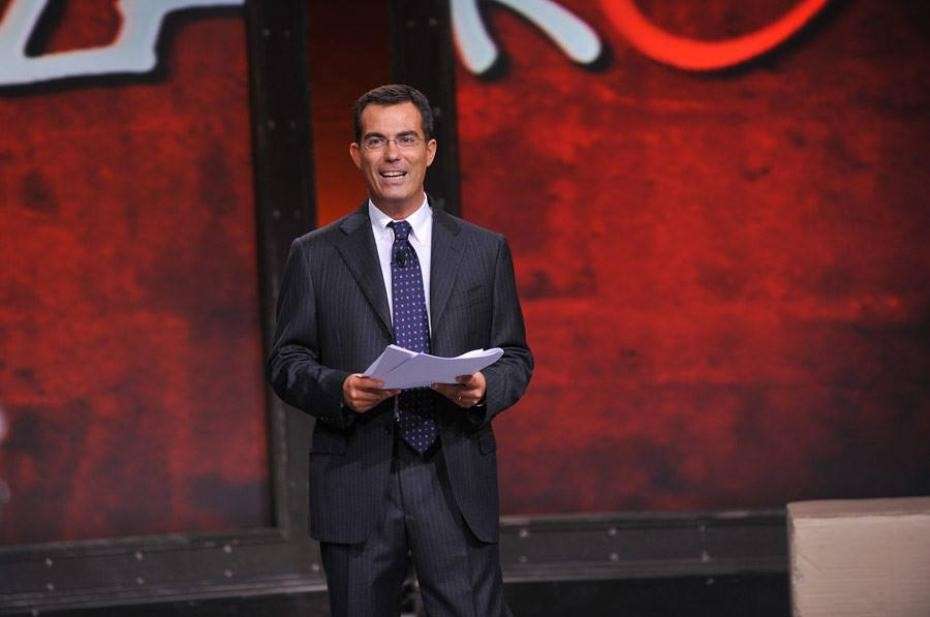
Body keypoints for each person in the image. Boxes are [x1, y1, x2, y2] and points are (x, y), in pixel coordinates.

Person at [267, 84, 532, 617]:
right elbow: (286, 361)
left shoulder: (483, 251)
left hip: (453, 475)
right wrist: (339, 390)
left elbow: (515, 356)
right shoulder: (315, 255)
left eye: (406, 139)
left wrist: (483, 388)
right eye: (376, 141)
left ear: (429, 151)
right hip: (357, 478)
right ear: (356, 153)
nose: (392, 155)